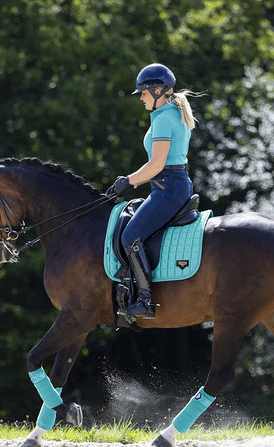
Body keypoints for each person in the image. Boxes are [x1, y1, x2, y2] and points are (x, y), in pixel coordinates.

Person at [106, 63, 198, 319]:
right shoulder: (169, 114)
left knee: (130, 236)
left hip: (168, 188)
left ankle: (146, 300)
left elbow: (157, 164)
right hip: (171, 184)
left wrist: (129, 181)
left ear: (157, 91)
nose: (141, 98)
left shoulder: (164, 119)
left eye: (144, 93)